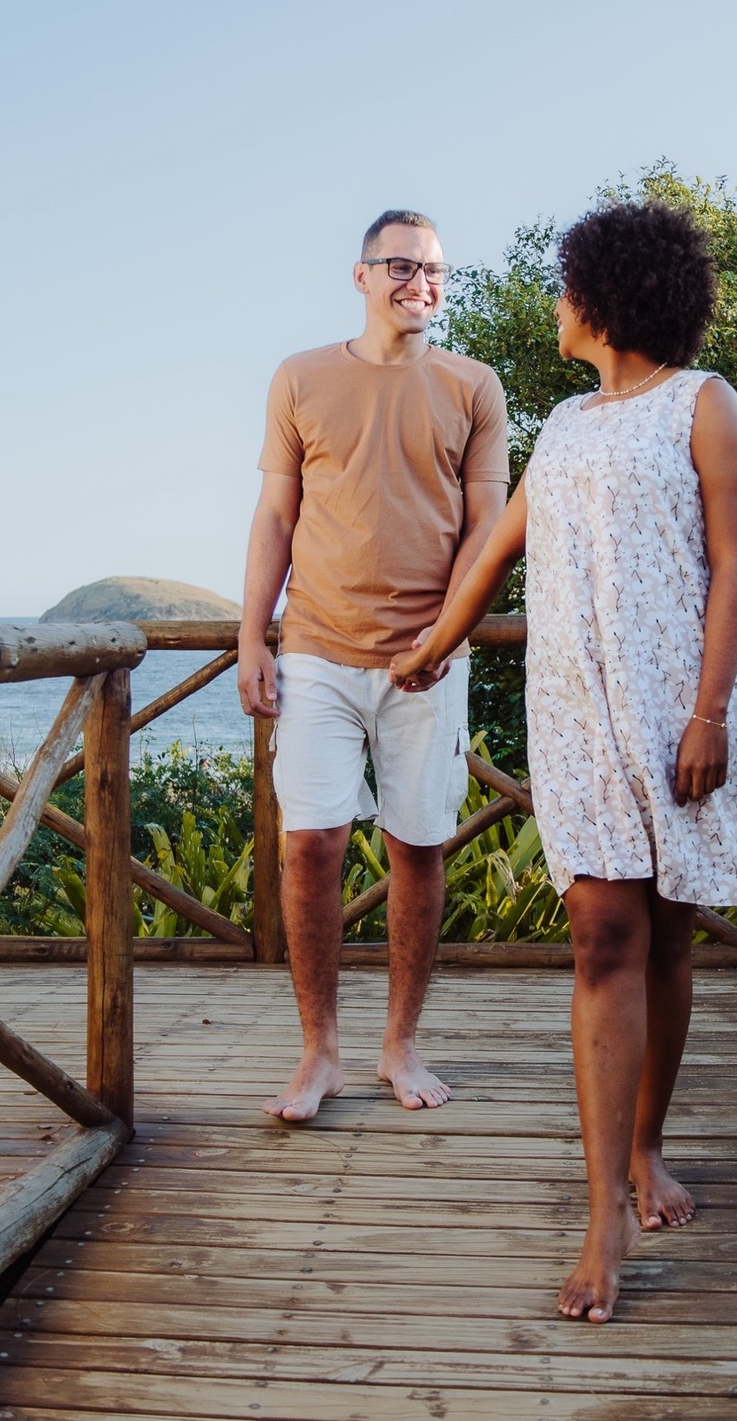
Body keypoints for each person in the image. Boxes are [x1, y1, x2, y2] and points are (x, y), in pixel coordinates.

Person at [390, 199, 737, 1323]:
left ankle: (647, 1146)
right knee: (604, 933)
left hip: (676, 715)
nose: (554, 304)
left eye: (563, 287)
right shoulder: (564, 424)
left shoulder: (708, 407)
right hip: (577, 715)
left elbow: (736, 575)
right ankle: (603, 1208)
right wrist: (436, 644)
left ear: (604, 298)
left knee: (669, 939)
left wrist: (706, 715)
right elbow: (498, 552)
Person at [238, 209, 509, 1122]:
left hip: (429, 660)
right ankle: (319, 1054)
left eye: (435, 271)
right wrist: (250, 637)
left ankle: (400, 1045)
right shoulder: (300, 378)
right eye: (402, 266)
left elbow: (487, 530)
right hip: (316, 644)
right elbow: (275, 518)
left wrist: (443, 639)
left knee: (417, 846)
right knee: (309, 844)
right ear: (360, 276)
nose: (421, 283)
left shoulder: (474, 386)